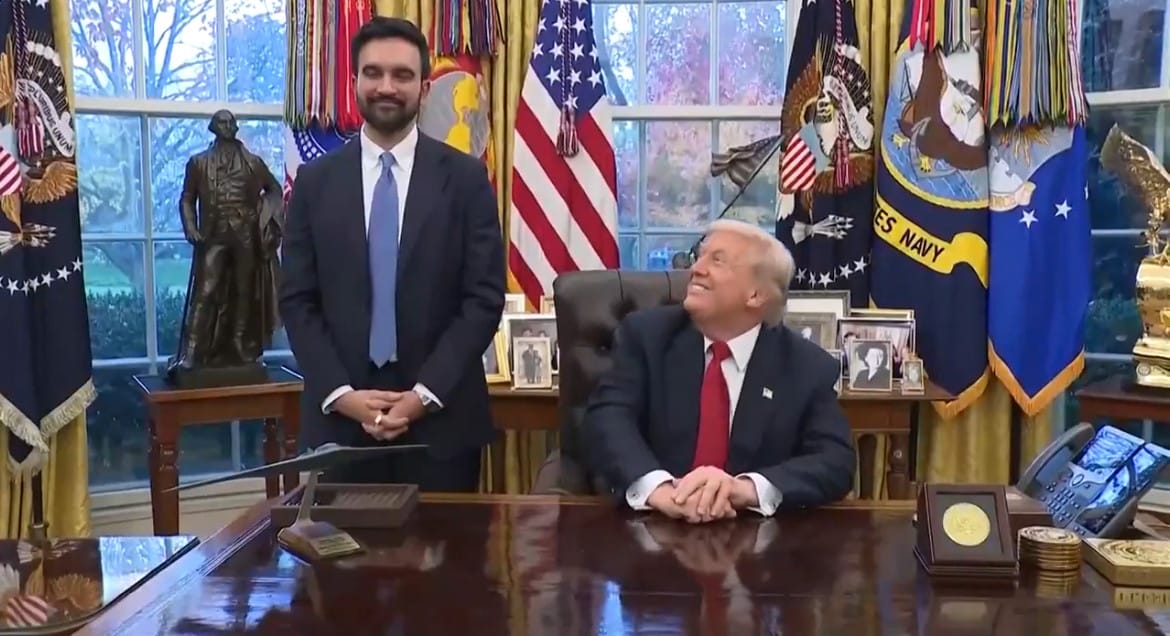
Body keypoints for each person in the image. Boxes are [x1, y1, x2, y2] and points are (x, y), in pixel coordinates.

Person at [279, 17, 505, 490]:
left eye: (402, 75)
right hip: (338, 428)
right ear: (354, 82)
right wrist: (343, 396)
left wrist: (421, 397)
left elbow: (482, 299)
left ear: (424, 89)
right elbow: (298, 302)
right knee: (338, 564)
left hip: (442, 428)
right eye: (374, 73)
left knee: (444, 566)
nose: (387, 86)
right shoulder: (314, 184)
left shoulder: (466, 180)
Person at [579, 219, 855, 523]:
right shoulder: (646, 337)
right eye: (700, 256)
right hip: (651, 526)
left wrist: (744, 489)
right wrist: (659, 490)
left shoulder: (807, 367)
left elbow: (835, 462)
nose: (696, 268)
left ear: (755, 295)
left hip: (758, 545)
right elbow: (607, 419)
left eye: (717, 260)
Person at [168, 109, 284, 381]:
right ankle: (193, 351)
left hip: (245, 236)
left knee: (245, 291)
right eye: (222, 122)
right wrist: (190, 227)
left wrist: (264, 218)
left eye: (231, 122)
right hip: (213, 236)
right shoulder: (198, 163)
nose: (228, 126)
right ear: (213, 127)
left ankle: (239, 343)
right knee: (205, 291)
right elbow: (186, 198)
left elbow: (274, 190)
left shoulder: (253, 163)